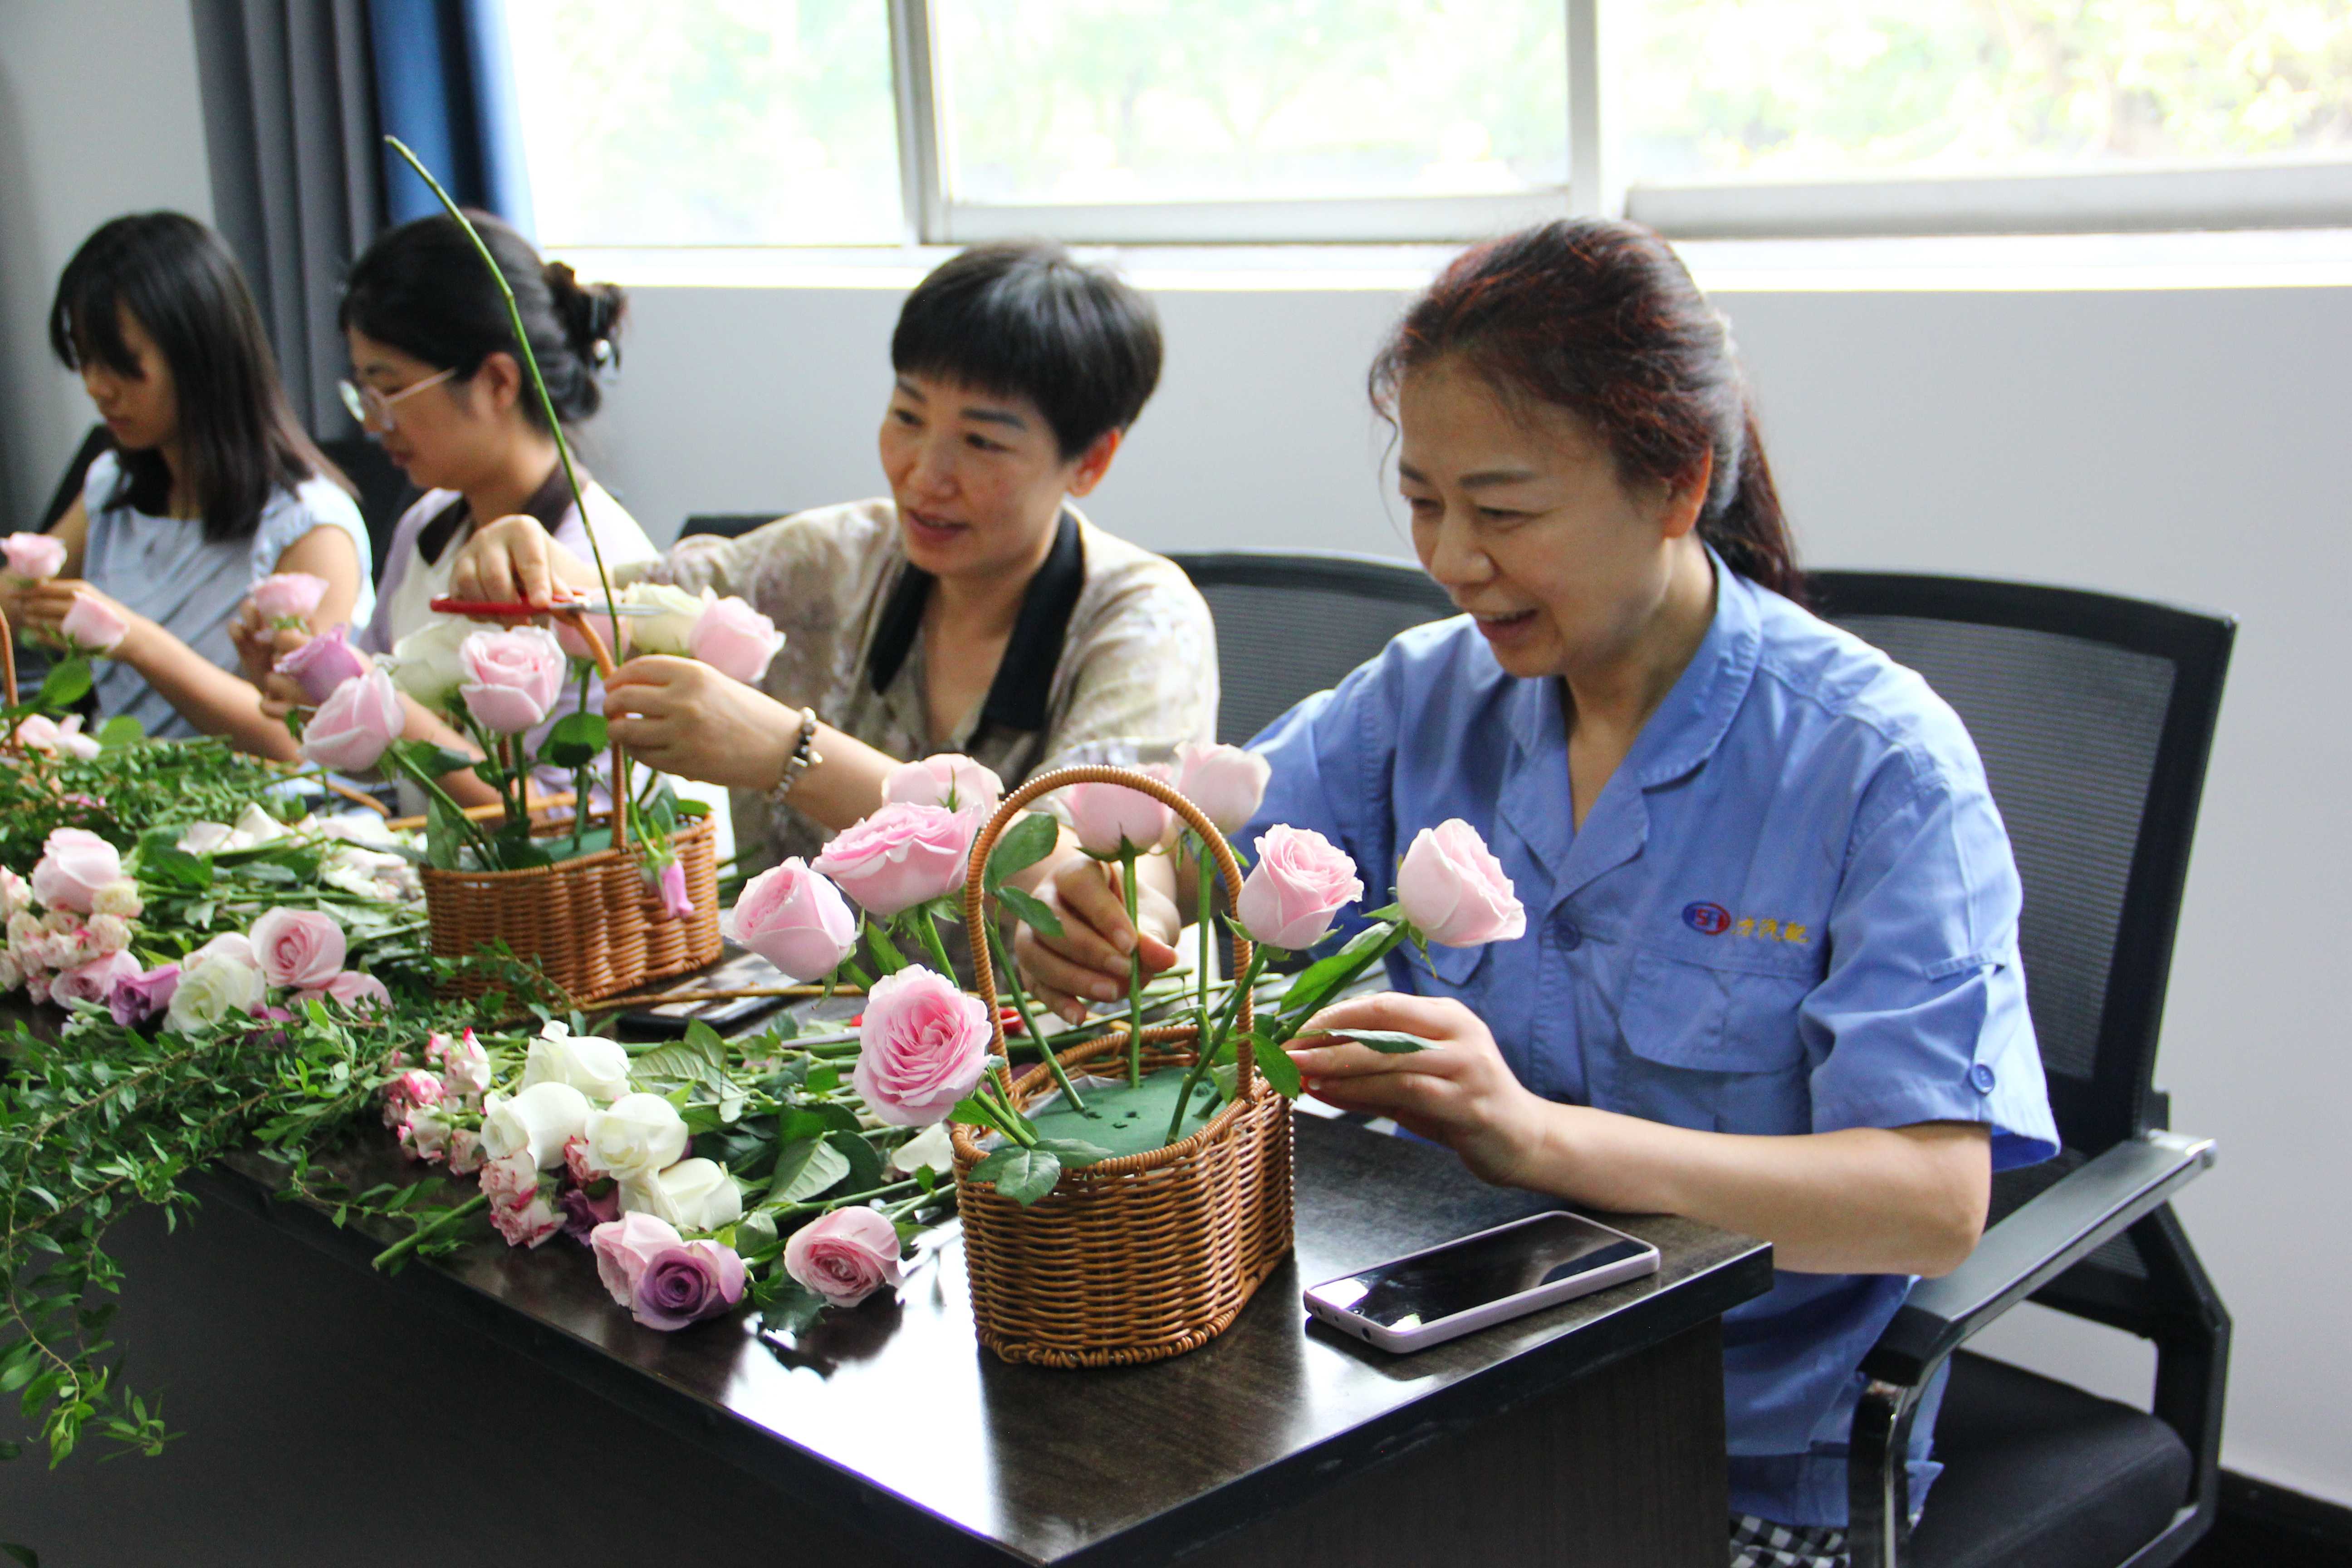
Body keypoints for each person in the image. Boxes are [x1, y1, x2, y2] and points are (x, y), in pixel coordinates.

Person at [1018, 218, 2058, 1567]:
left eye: (1503, 512)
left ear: (1676, 484)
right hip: (1420, 1391)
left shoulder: (1874, 765)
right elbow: (1195, 842)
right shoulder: (1426, 695)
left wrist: (1533, 1136)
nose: (1452, 557)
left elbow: (1929, 1200)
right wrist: (1118, 887)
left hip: (1720, 1452)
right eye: (1423, 500)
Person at [445, 240, 1215, 871]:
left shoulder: (1145, 622)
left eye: (982, 442)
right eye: (907, 416)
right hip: (785, 1010)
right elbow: (616, 603)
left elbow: (1077, 876)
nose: (924, 474)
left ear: (1090, 461)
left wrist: (790, 755)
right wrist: (525, 554)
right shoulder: (833, 559)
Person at [235, 212, 657, 807]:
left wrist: (388, 712)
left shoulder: (594, 567)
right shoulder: (429, 526)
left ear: (497, 382)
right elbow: (389, 771)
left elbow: (571, 822)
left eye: (389, 390)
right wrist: (316, 699)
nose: (372, 422)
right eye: (363, 393)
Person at [7, 212, 370, 751]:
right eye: (85, 360)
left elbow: (296, 739)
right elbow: (11, 604)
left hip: (263, 800)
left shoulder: (311, 523)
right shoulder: (114, 485)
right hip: (121, 787)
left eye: (121, 363)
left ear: (199, 353)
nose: (96, 387)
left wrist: (136, 642)